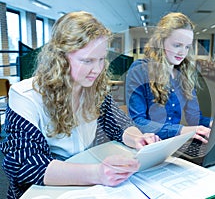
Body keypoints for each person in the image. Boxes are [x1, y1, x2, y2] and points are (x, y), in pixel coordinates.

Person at [0, 11, 160, 199]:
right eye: (87, 61)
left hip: (85, 184)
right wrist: (97, 174)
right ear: (60, 59)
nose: (98, 69)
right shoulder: (26, 96)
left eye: (101, 60)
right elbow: (25, 165)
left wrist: (138, 139)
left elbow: (119, 124)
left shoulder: (93, 86)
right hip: (42, 190)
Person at [126, 12, 212, 142]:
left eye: (187, 47)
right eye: (177, 45)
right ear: (160, 42)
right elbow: (137, 121)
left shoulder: (184, 73)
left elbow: (194, 117)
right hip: (149, 144)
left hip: (174, 142)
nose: (182, 52)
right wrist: (180, 130)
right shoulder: (140, 70)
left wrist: (212, 123)